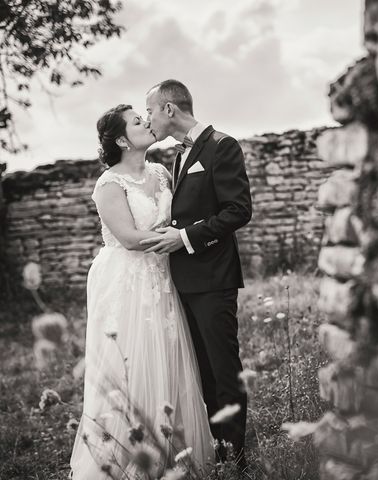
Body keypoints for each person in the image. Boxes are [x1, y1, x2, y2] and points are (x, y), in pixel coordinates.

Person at [69, 104, 215, 478]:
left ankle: (174, 453)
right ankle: (129, 458)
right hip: (127, 279)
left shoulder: (162, 173)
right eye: (137, 122)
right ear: (121, 139)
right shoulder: (109, 185)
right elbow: (131, 239)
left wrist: (187, 236)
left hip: (163, 275)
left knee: (168, 354)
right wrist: (177, 238)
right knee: (132, 357)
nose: (147, 123)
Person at [141, 80, 252, 471]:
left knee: (224, 370)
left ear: (169, 109)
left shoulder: (222, 145)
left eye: (151, 109)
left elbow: (238, 211)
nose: (148, 117)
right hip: (183, 283)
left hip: (214, 280)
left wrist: (185, 236)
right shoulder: (175, 156)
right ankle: (219, 451)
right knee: (202, 372)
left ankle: (236, 458)